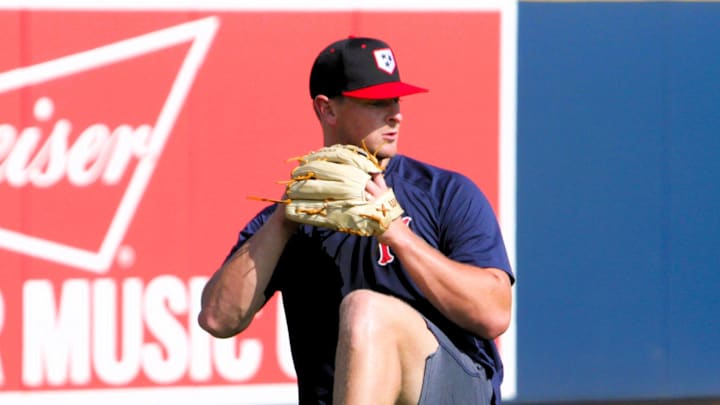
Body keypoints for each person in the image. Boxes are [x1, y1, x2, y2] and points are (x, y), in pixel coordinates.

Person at [198, 36, 515, 404]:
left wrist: (398, 236)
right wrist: (283, 221)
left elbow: (494, 313)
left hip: (454, 388)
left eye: (396, 99)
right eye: (377, 102)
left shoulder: (444, 192)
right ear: (327, 109)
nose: (396, 113)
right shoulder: (291, 219)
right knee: (362, 313)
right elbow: (217, 319)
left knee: (365, 310)